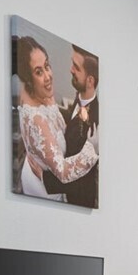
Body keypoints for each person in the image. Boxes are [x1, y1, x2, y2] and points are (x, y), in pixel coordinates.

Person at [14, 35, 96, 201]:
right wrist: (92, 149)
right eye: (38, 72)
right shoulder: (36, 119)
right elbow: (64, 173)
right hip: (43, 188)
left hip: (41, 172)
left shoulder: (43, 94)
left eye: (47, 66)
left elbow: (58, 123)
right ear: (28, 79)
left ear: (90, 80)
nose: (48, 76)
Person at [43, 45, 99, 207]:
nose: (70, 69)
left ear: (90, 81)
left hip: (77, 200)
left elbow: (81, 178)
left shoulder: (95, 124)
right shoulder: (79, 98)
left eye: (76, 67)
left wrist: (40, 177)